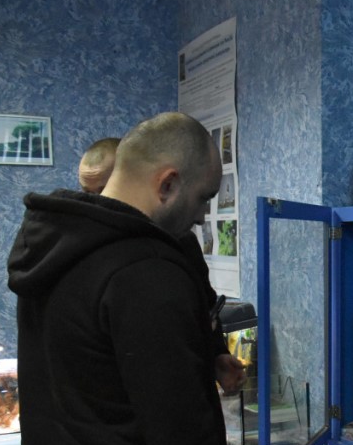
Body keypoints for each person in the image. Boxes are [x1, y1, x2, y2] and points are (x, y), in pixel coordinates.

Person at [8, 112, 256, 445]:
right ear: (167, 184)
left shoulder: (58, 245)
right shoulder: (144, 272)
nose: (203, 215)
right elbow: (185, 443)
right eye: (203, 198)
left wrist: (208, 349)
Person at [78, 136, 246, 395]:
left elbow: (206, 306)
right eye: (88, 194)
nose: (98, 201)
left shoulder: (180, 240)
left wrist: (216, 355)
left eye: (104, 189)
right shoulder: (85, 252)